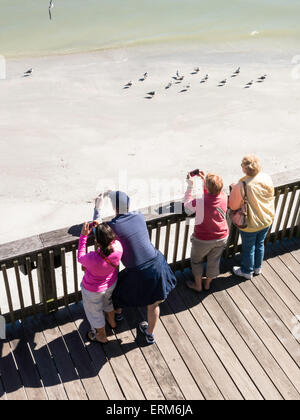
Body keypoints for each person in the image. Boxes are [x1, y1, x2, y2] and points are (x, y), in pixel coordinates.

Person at [93, 190, 177, 345]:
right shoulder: (139, 216)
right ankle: (149, 335)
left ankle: (118, 315)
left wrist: (97, 209)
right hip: (157, 262)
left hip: (138, 270)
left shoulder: (112, 227)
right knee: (153, 305)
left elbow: (97, 231)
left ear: (115, 209)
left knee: (118, 292)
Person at [229, 155, 275, 279]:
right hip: (266, 219)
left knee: (249, 247)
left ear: (244, 169)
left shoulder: (242, 185)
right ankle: (257, 268)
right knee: (260, 244)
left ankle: (246, 271)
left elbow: (233, 206)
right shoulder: (266, 177)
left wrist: (235, 189)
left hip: (251, 223)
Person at [78, 219, 123, 344]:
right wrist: (101, 229)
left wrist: (83, 236)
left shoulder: (93, 258)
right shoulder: (118, 247)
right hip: (111, 283)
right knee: (107, 302)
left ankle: (101, 336)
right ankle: (112, 323)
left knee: (95, 313)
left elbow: (81, 257)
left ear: (97, 241)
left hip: (93, 290)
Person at [184, 171, 229, 291]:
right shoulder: (224, 196)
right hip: (221, 236)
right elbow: (211, 197)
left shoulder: (200, 201)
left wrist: (190, 185)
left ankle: (198, 285)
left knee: (196, 261)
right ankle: (207, 284)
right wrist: (205, 182)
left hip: (203, 239)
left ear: (207, 187)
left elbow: (187, 207)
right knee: (214, 261)